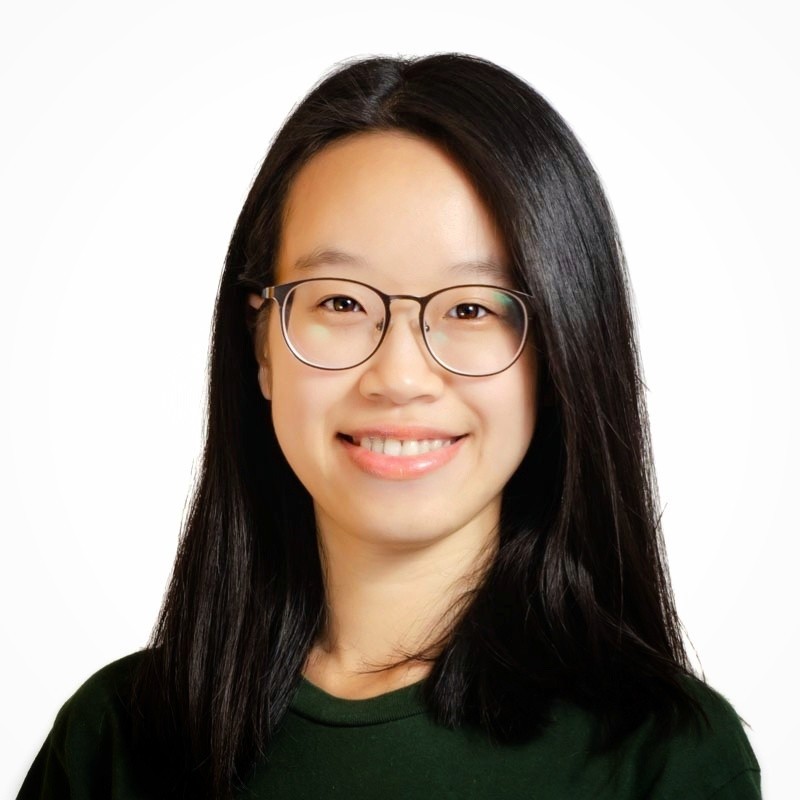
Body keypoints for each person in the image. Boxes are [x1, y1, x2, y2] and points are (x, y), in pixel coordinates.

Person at [17, 53, 761, 799]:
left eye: (472, 308)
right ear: (263, 347)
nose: (400, 377)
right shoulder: (112, 742)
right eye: (340, 302)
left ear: (561, 352)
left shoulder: (662, 759)